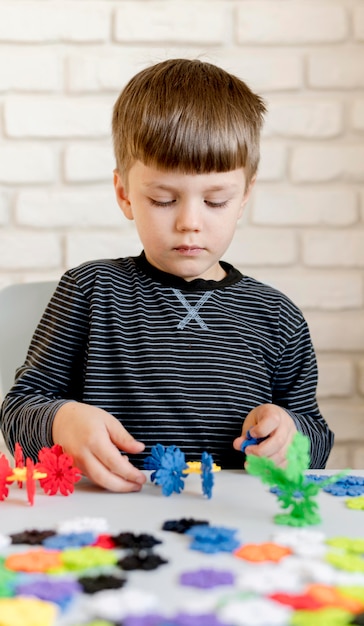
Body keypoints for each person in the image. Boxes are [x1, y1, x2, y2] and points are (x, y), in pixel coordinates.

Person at [0, 58, 334, 493]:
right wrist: (61, 421)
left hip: (236, 527)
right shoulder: (90, 291)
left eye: (215, 201)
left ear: (245, 195)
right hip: (110, 517)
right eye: (162, 199)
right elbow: (19, 411)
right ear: (124, 194)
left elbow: (318, 437)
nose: (189, 222)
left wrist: (288, 434)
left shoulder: (276, 315)